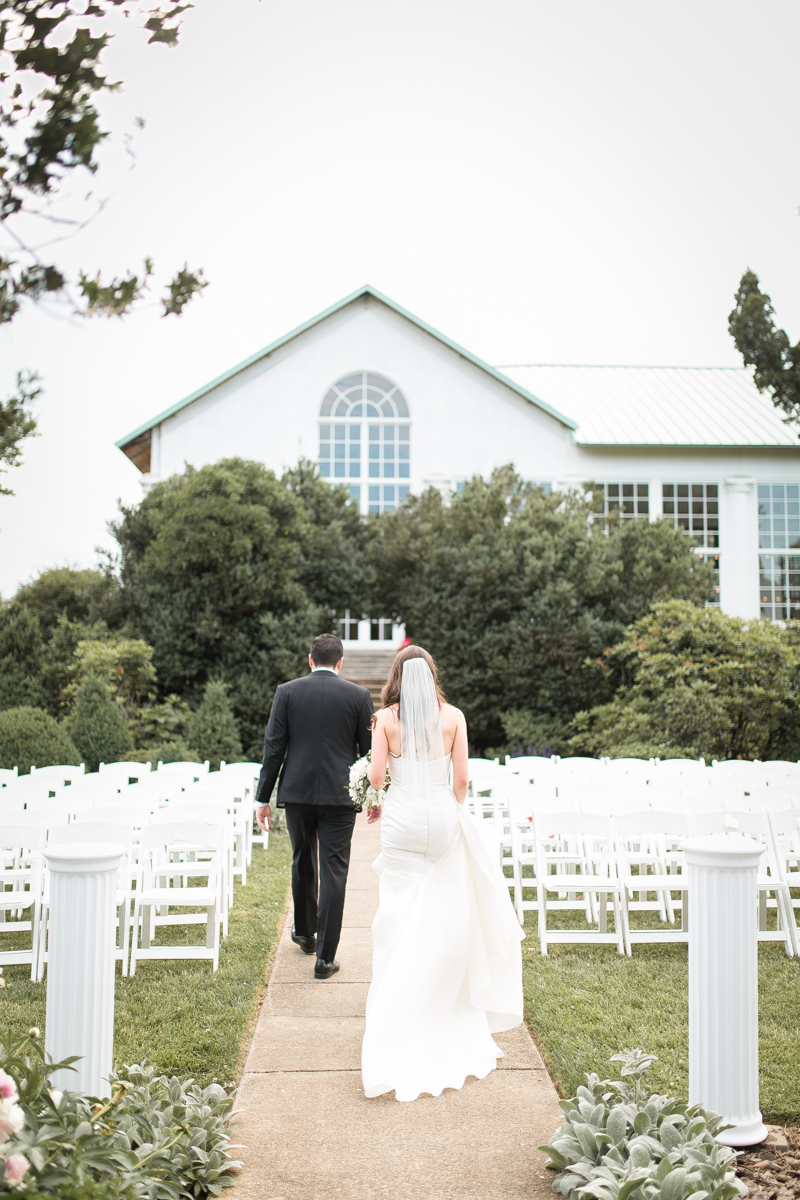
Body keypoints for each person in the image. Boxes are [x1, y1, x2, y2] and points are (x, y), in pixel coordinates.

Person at [361, 645, 524, 1102]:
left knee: (397, 914)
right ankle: (441, 998)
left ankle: (397, 996)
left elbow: (376, 778)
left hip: (402, 823)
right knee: (445, 916)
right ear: (431, 675)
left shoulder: (386, 720)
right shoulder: (453, 717)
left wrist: (382, 781)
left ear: (396, 676)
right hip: (441, 819)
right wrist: (452, 807)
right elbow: (462, 780)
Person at [255, 633, 373, 981]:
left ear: (310, 659)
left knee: (302, 858)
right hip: (340, 796)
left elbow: (274, 747)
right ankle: (325, 958)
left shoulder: (287, 692)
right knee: (335, 870)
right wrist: (369, 796)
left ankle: (306, 933)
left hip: (298, 793)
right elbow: (368, 753)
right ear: (340, 662)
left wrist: (263, 797)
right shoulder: (358, 695)